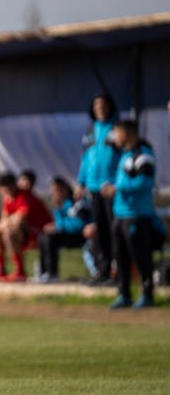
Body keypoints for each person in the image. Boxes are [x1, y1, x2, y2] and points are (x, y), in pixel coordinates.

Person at [102, 120, 157, 309]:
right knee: (120, 256)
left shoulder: (143, 156)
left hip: (137, 215)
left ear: (128, 133)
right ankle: (124, 294)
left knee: (140, 255)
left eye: (117, 132)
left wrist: (118, 188)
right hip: (120, 213)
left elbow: (145, 183)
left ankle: (147, 294)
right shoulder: (124, 155)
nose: (114, 137)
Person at [75, 93, 120, 285]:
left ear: (110, 107)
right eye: (96, 105)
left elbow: (124, 158)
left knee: (114, 229)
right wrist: (80, 182)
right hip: (93, 187)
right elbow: (85, 159)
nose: (100, 108)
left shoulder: (117, 128)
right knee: (99, 230)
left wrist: (117, 184)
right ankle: (102, 270)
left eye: (103, 104)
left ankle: (118, 271)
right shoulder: (90, 130)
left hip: (111, 187)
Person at [0, 172, 53, 282]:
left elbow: (19, 221)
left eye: (6, 190)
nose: (4, 193)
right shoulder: (8, 198)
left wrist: (5, 223)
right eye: (3, 191)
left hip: (40, 233)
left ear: (13, 186)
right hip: (24, 233)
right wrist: (0, 225)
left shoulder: (23, 196)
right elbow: (4, 219)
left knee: (9, 232)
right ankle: (0, 269)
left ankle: (20, 272)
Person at [37, 176, 93, 283]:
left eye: (57, 191)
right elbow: (60, 222)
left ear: (64, 189)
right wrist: (57, 210)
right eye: (53, 192)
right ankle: (44, 272)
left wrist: (58, 227)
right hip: (67, 234)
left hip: (80, 236)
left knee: (51, 238)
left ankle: (52, 273)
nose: (55, 194)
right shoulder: (60, 205)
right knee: (43, 236)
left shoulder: (78, 201)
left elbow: (80, 224)